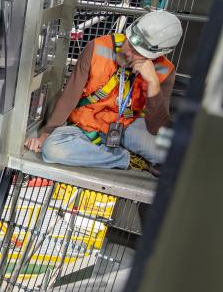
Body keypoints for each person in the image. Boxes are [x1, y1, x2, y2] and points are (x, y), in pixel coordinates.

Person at [24, 10, 182, 175]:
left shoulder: (164, 71)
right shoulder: (98, 46)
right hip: (87, 123)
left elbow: (157, 128)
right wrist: (46, 134)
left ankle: (102, 152)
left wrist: (153, 85)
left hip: (128, 125)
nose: (128, 51)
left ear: (155, 56)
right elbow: (70, 95)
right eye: (129, 42)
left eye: (138, 53)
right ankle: (126, 159)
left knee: (169, 155)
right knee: (52, 149)